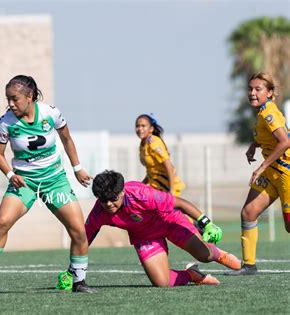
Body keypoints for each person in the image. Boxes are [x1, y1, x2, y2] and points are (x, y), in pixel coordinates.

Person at [0, 75, 95, 293]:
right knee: (3, 221)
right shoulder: (5, 122)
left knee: (78, 230)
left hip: (54, 181)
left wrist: (77, 168)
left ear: (29, 96)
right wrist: (10, 174)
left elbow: (67, 139)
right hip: (25, 183)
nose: (11, 104)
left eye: (15, 99)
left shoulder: (51, 113)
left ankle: (79, 281)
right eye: (8, 99)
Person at [57, 170, 241, 289]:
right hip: (144, 236)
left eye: (112, 198)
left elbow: (180, 203)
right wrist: (73, 270)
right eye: (103, 200)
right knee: (162, 283)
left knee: (205, 256)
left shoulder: (142, 195)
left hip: (169, 221)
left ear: (122, 192)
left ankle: (217, 254)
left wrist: (206, 222)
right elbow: (84, 239)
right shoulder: (100, 210)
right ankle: (192, 274)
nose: (108, 204)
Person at [227, 72, 290, 276]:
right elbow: (271, 138)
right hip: (273, 173)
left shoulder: (269, 113)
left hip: (285, 174)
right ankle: (249, 265)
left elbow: (285, 142)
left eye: (258, 89)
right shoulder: (263, 112)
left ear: (270, 93)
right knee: (249, 213)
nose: (252, 93)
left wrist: (261, 167)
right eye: (250, 89)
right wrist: (254, 145)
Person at [135, 114, 185, 197]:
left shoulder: (153, 142)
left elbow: (169, 166)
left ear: (151, 129)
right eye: (137, 126)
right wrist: (141, 185)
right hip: (156, 188)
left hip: (167, 188)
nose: (140, 129)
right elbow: (152, 170)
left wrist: (171, 191)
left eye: (143, 126)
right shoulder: (143, 144)